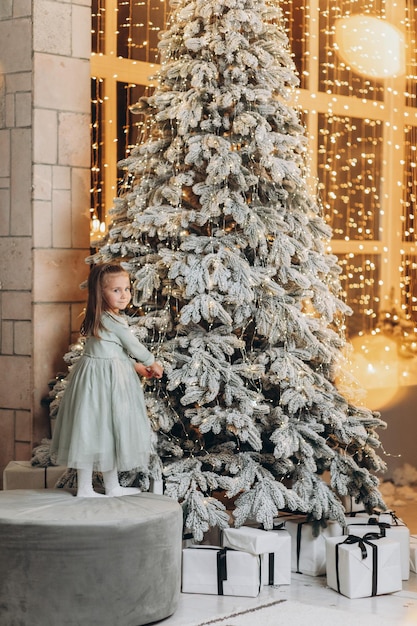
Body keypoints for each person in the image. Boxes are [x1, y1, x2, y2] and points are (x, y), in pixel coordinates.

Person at [50, 262, 163, 497]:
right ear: (101, 293)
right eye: (116, 290)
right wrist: (152, 362)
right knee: (93, 428)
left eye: (127, 289)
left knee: (108, 430)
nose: (124, 295)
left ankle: (111, 486)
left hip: (108, 376)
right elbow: (132, 345)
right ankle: (84, 487)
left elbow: (114, 350)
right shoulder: (108, 319)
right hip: (102, 382)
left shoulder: (105, 317)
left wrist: (136, 367)